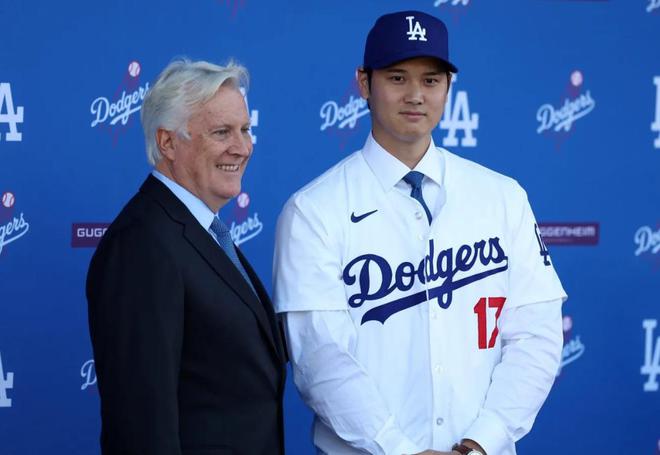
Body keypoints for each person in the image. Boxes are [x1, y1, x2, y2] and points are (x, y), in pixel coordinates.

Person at [273, 11, 565, 455]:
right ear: (364, 83)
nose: (415, 95)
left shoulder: (503, 196)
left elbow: (536, 336)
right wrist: (398, 449)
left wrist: (481, 442)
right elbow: (320, 357)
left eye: (431, 80)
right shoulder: (313, 211)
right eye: (397, 78)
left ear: (448, 87)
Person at [87, 58, 286, 455]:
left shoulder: (199, 230)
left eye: (245, 130)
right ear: (167, 143)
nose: (242, 147)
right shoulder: (142, 243)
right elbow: (140, 426)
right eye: (221, 132)